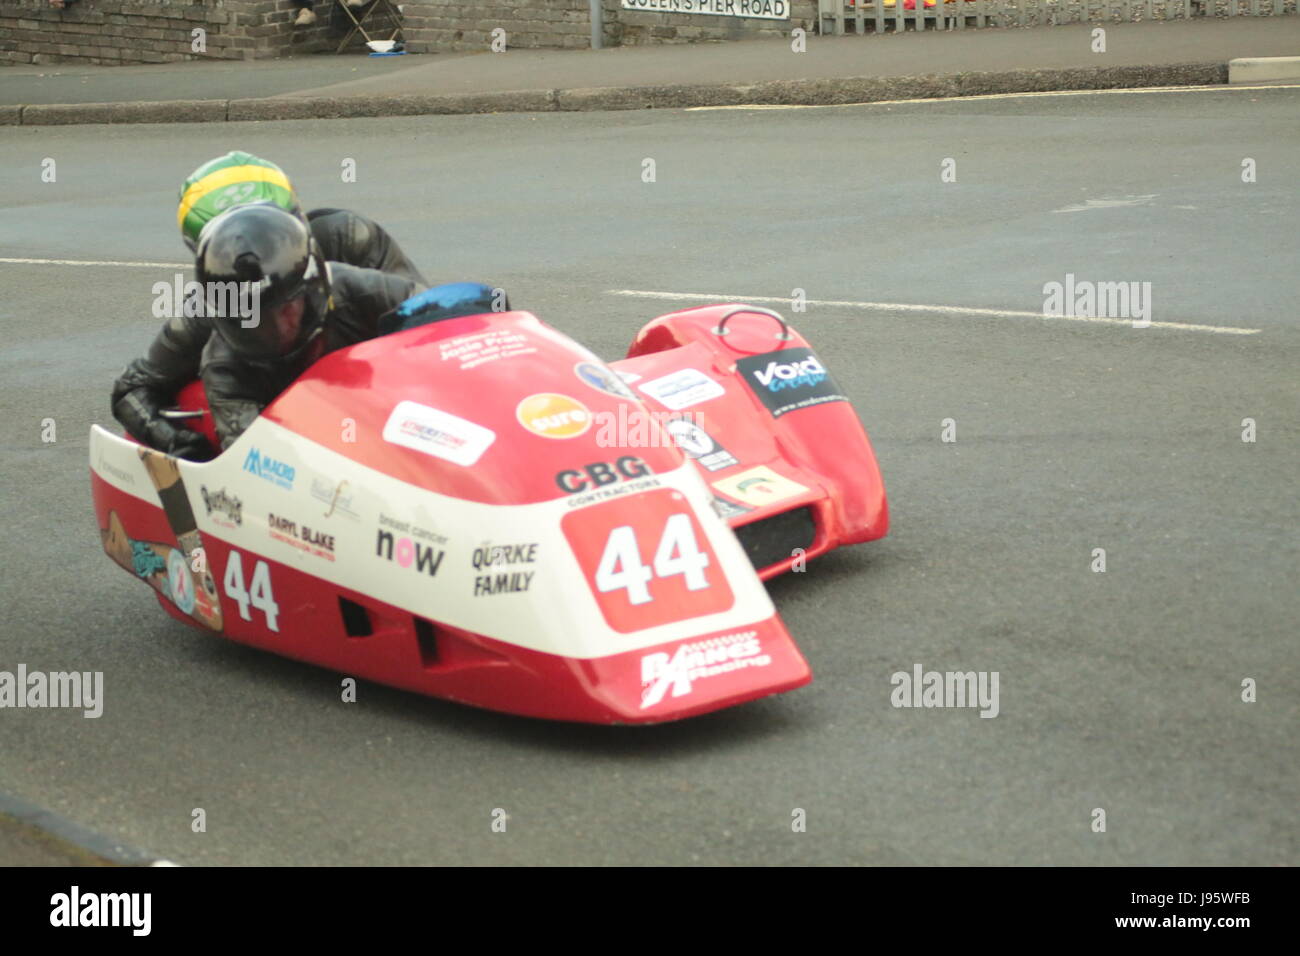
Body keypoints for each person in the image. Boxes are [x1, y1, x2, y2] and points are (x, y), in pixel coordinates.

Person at [113, 151, 425, 459]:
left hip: (387, 400)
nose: (252, 249)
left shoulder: (350, 237)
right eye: (229, 242)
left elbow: (430, 331)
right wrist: (173, 442)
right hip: (296, 432)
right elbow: (132, 389)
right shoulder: (209, 309)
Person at [194, 204, 421, 451]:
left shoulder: (357, 287)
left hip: (394, 409)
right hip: (317, 448)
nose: (284, 324)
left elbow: (445, 322)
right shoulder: (224, 368)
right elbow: (258, 458)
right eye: (261, 318)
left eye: (288, 306)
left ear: (312, 287)